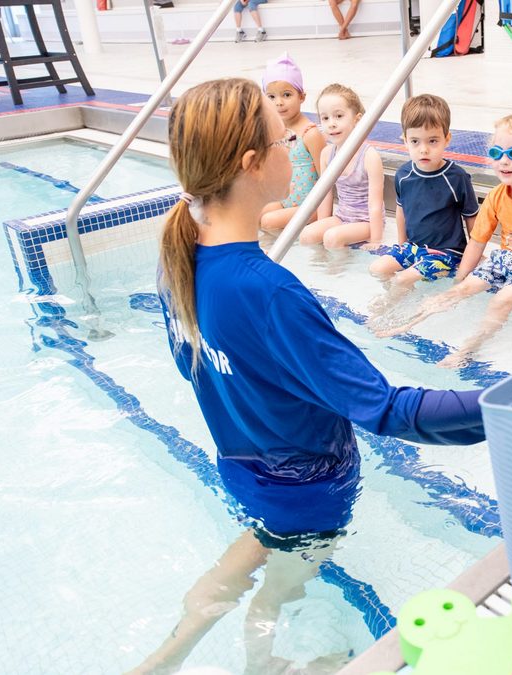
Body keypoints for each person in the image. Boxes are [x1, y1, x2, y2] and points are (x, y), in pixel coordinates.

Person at [129, 78, 485, 675]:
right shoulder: (268, 293)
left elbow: (200, 371)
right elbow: (392, 410)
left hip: (243, 469)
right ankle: (262, 665)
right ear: (252, 164)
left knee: (257, 547)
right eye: (283, 137)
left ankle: (167, 655)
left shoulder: (178, 261)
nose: (297, 141)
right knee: (279, 587)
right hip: (308, 490)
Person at [376, 112, 512, 368]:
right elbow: (477, 241)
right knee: (459, 290)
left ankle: (468, 350)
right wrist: (461, 279)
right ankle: (407, 325)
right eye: (496, 153)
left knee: (501, 300)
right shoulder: (497, 195)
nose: (503, 161)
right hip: (504, 259)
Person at [367, 93, 478, 318]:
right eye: (415, 141)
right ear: (404, 140)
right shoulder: (403, 175)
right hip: (414, 247)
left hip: (447, 253)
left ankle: (393, 311)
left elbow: (472, 218)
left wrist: (473, 257)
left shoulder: (456, 177)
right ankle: (402, 299)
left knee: (404, 277)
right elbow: (401, 211)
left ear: (447, 139)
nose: (424, 149)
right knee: (377, 269)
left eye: (432, 141)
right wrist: (401, 246)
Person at [298, 83, 385, 249]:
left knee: (332, 237)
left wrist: (376, 241)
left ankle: (336, 271)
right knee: (307, 234)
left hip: (366, 221)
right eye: (325, 118)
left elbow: (376, 205)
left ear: (357, 120)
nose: (331, 123)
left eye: (338, 116)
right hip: (342, 217)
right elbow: (325, 195)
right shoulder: (326, 154)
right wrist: (322, 227)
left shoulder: (369, 157)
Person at [259, 53, 325, 232]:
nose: (279, 103)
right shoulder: (274, 132)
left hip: (310, 207)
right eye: (271, 97)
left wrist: (323, 216)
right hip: (285, 200)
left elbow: (326, 179)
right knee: (255, 215)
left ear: (302, 96)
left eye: (287, 95)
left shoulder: (309, 134)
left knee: (268, 222)